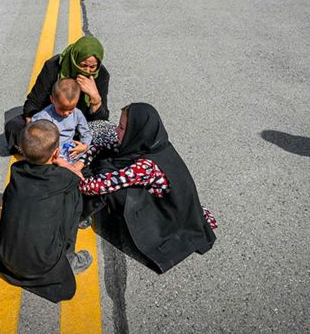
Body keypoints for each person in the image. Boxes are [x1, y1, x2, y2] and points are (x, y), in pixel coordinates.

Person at [76, 103, 217, 273]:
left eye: (121, 128)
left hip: (167, 217)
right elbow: (106, 146)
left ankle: (78, 214)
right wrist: (82, 161)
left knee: (112, 189)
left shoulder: (146, 166)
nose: (116, 131)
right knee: (109, 158)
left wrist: (74, 179)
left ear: (136, 131)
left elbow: (100, 185)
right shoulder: (153, 143)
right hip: (176, 205)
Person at [0, 120, 92, 303]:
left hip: (4, 256)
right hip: (42, 264)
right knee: (73, 195)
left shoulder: (16, 171)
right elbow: (79, 177)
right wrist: (62, 163)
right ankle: (68, 257)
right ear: (56, 152)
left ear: (22, 150)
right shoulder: (63, 178)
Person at [3, 36, 110, 154]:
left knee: (107, 134)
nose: (87, 71)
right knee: (14, 127)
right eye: (83, 65)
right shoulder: (54, 66)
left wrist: (95, 98)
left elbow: (101, 120)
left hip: (77, 125)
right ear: (74, 59)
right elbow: (33, 102)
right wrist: (36, 132)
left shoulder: (101, 75)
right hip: (49, 121)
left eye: (92, 67)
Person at [31, 79, 92, 162]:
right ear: (52, 100)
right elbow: (32, 134)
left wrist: (84, 145)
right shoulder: (44, 117)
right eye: (62, 109)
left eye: (71, 108)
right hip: (51, 153)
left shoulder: (77, 114)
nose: (66, 113)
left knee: (93, 151)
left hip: (71, 151)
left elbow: (86, 132)